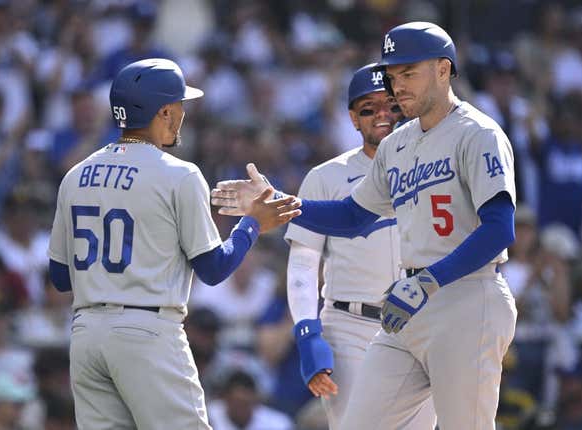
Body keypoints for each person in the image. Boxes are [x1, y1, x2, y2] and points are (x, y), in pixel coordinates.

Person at [211, 22, 517, 430]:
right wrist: (282, 205)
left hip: (466, 297)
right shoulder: (397, 144)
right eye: (393, 76)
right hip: (406, 309)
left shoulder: (477, 133)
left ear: (444, 70)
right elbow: (353, 216)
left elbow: (499, 228)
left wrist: (428, 281)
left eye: (409, 73)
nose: (398, 86)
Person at [47, 58, 301, 430]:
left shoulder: (75, 174)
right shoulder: (179, 174)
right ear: (164, 111)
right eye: (180, 105)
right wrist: (251, 225)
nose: (183, 113)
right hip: (147, 330)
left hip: (86, 333)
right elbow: (213, 269)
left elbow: (59, 277)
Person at [283, 63, 435, 429]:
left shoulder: (434, 168)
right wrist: (307, 331)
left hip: (421, 322)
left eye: (391, 105)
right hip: (350, 325)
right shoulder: (326, 176)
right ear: (353, 118)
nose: (382, 115)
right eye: (369, 108)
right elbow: (304, 262)